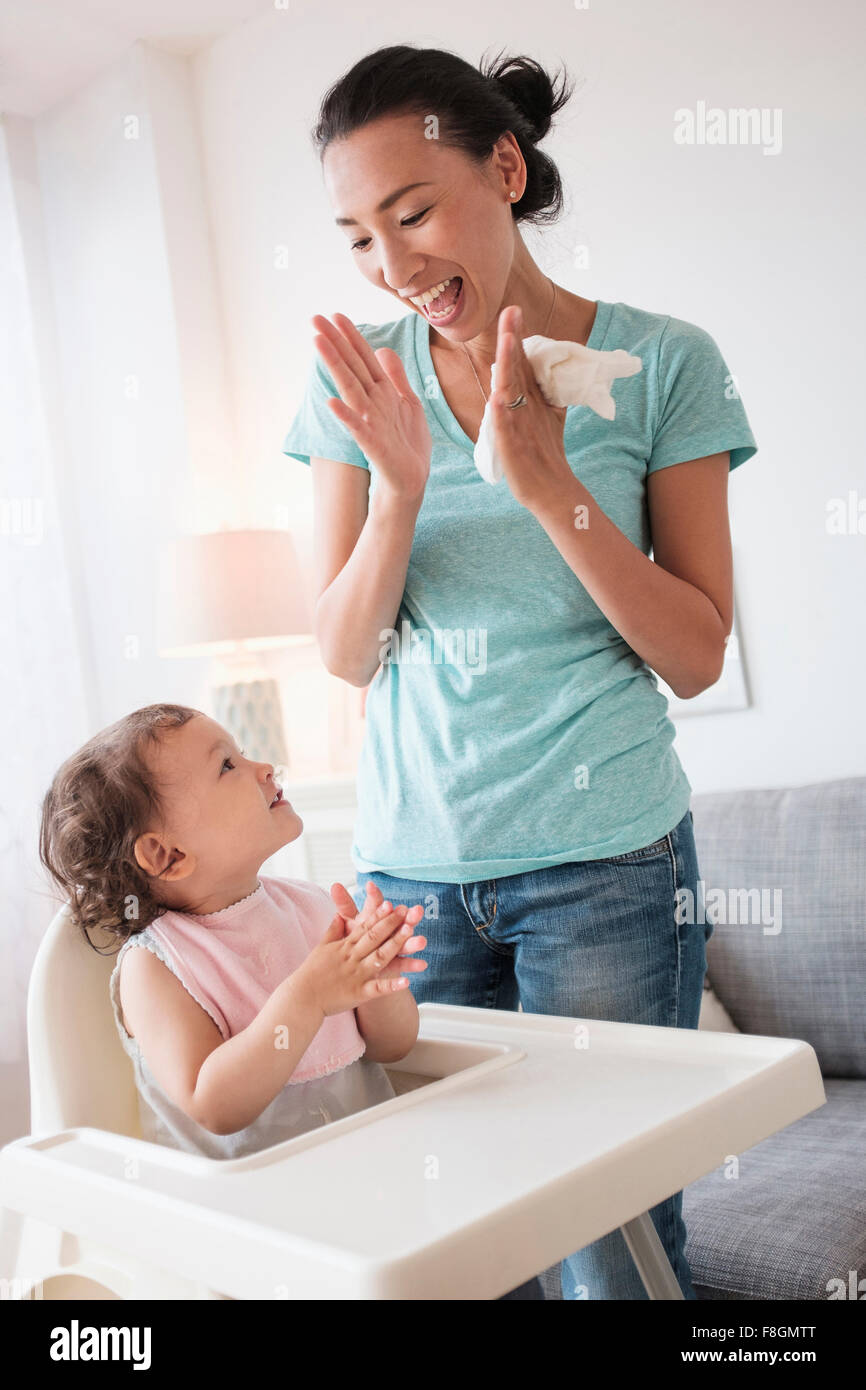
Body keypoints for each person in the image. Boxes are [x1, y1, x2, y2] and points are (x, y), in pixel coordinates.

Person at [282, 44, 758, 1299]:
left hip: (601, 867)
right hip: (411, 881)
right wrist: (396, 493)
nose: (392, 266)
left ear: (503, 167)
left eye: (414, 210)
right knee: (456, 1246)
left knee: (608, 1251)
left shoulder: (662, 364)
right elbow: (342, 651)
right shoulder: (355, 386)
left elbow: (695, 652)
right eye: (359, 238)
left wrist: (549, 492)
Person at [38, 703, 426, 1161]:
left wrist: (374, 975)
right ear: (167, 855)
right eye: (227, 766)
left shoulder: (312, 907)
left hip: (367, 1174)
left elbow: (393, 1047)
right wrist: (308, 998)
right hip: (242, 1212)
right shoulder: (156, 966)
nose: (264, 768)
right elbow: (214, 1104)